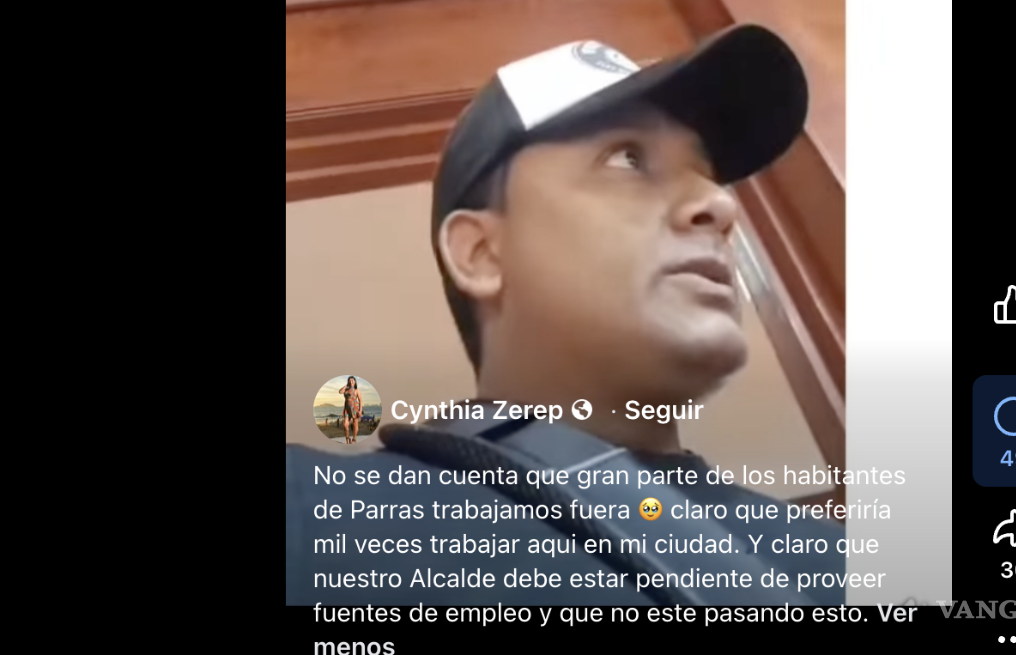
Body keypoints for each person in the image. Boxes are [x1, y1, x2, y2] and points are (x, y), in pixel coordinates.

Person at [287, 24, 843, 606]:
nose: (720, 203)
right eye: (629, 158)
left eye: (707, 175)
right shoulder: (316, 521)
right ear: (481, 254)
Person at [337, 376, 362, 444]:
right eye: (350, 381)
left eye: (352, 380)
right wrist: (346, 385)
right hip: (347, 409)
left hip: (355, 408)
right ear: (348, 382)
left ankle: (354, 439)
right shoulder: (346, 389)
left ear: (355, 381)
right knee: (345, 425)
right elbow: (340, 392)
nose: (351, 382)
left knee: (355, 424)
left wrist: (360, 410)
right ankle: (347, 439)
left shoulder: (357, 390)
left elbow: (360, 400)